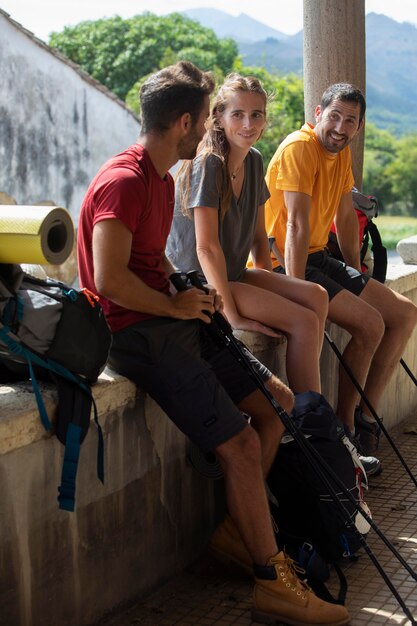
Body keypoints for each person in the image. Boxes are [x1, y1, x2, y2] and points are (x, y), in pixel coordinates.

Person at [77, 62, 349, 626]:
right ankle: (271, 577)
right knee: (242, 445)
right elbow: (109, 280)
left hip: (174, 317)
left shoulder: (159, 176)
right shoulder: (124, 180)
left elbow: (151, 266)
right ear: (185, 122)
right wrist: (177, 304)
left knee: (278, 404)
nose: (210, 130)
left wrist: (185, 298)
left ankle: (236, 533)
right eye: (206, 118)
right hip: (138, 336)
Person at [264, 82, 417, 471]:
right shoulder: (301, 148)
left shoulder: (341, 153)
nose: (340, 126)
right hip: (285, 261)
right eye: (334, 116)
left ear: (359, 126)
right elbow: (295, 224)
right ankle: (346, 434)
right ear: (318, 113)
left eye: (350, 120)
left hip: (320, 255)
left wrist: (356, 271)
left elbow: (345, 216)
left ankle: (367, 419)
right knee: (369, 325)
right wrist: (296, 289)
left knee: (403, 314)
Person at [168, 73, 328, 394]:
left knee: (316, 296)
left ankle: (303, 402)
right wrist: (232, 315)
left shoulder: (253, 161)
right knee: (304, 321)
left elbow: (258, 238)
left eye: (256, 114)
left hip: (234, 273)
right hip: (199, 280)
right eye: (238, 114)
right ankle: (310, 422)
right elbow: (206, 249)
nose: (248, 123)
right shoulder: (209, 163)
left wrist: (273, 295)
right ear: (219, 116)